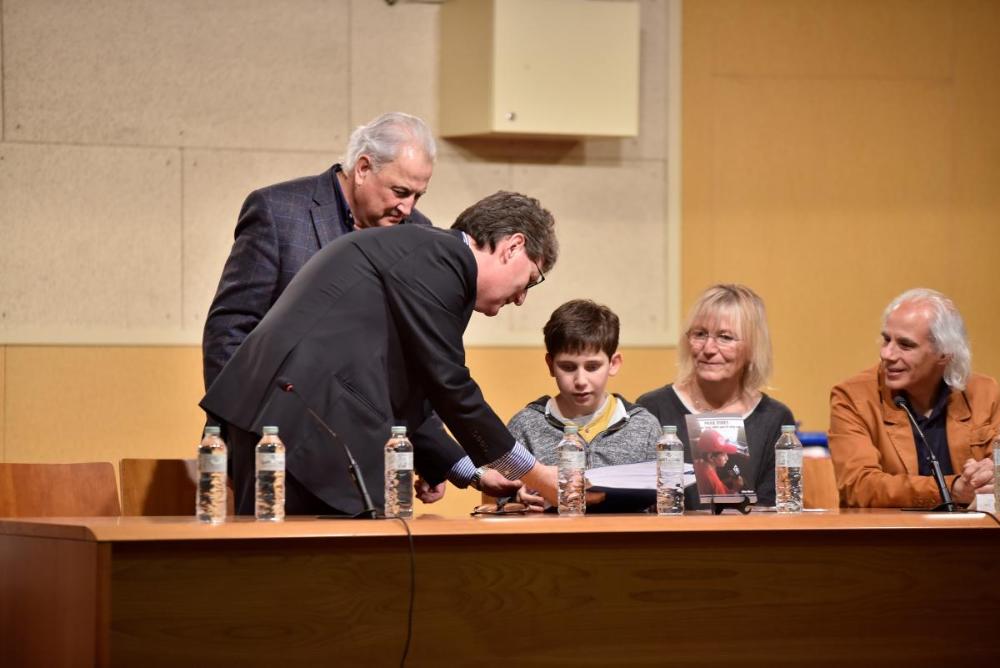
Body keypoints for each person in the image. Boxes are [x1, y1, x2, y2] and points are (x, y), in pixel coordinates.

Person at [200, 191, 560, 516]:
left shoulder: (422, 251)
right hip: (304, 430)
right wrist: (537, 474)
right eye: (530, 279)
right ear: (513, 246)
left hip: (285, 424)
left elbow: (402, 386)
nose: (521, 298)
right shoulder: (443, 259)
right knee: (308, 577)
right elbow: (449, 384)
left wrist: (473, 472)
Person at [202, 111, 436, 391]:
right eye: (400, 192)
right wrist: (238, 422)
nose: (408, 208)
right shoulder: (277, 211)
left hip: (370, 425)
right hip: (272, 420)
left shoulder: (418, 232)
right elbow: (229, 328)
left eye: (417, 196)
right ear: (363, 168)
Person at [828, 288, 999, 508]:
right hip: (891, 538)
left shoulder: (985, 393)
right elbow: (859, 486)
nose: (887, 354)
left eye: (905, 345)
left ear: (944, 354)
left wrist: (987, 480)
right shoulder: (853, 397)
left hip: (973, 537)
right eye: (886, 340)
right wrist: (951, 489)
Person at [637, 284, 795, 508]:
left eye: (725, 337)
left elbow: (776, 508)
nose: (709, 348)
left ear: (752, 347)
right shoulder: (652, 409)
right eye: (700, 334)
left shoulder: (775, 418)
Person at [506, 299, 660, 509]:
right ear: (551, 365)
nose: (580, 381)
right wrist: (518, 498)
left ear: (613, 364)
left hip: (623, 540)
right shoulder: (525, 425)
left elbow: (662, 503)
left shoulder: (644, 426)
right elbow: (502, 499)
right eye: (568, 367)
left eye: (592, 367)